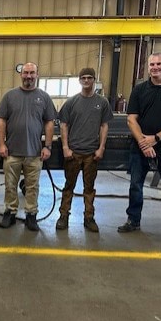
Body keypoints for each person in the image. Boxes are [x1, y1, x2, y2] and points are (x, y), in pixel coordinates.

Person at [117, 52, 161, 243]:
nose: (155, 67)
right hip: (140, 147)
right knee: (135, 185)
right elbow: (131, 119)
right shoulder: (139, 90)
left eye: (159, 64)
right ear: (148, 67)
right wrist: (144, 142)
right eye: (152, 64)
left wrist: (156, 139)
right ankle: (133, 220)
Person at [0, 62, 57, 231]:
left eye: (32, 73)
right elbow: (1, 120)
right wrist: (1, 144)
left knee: (32, 187)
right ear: (21, 74)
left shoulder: (44, 97)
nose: (28, 76)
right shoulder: (9, 96)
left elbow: (49, 122)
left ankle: (31, 215)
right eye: (26, 73)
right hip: (12, 152)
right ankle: (10, 212)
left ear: (37, 75)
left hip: (35, 153)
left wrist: (48, 146)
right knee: (10, 185)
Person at [56, 67, 113, 232]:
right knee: (69, 186)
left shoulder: (102, 103)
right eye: (83, 78)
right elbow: (63, 125)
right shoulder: (71, 102)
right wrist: (65, 147)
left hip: (92, 154)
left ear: (94, 80)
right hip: (73, 153)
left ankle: (89, 217)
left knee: (89, 188)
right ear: (79, 80)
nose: (86, 80)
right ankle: (64, 216)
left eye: (89, 77)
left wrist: (101, 148)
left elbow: (104, 126)